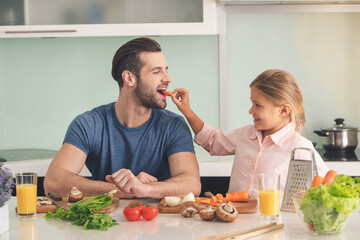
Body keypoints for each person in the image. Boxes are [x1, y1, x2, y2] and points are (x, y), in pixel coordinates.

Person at [44, 37, 201, 199]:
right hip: (105, 220)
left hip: (161, 221)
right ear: (129, 78)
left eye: (166, 70)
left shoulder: (173, 126)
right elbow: (53, 182)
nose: (168, 79)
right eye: (156, 71)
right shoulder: (89, 124)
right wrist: (122, 189)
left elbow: (192, 184)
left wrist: (145, 189)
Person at [171, 69, 329, 198]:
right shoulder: (246, 135)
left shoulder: (300, 148)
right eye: (251, 103)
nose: (251, 111)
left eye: (258, 105)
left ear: (283, 110)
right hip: (235, 221)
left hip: (272, 227)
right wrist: (187, 111)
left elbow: (328, 184)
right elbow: (213, 140)